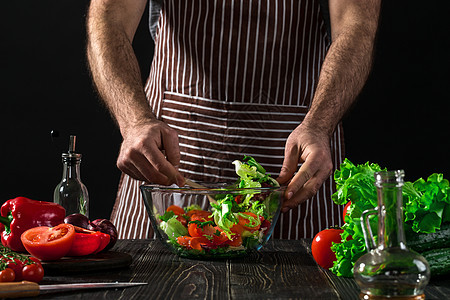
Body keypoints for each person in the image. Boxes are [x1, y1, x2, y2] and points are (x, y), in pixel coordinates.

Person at [86, 0, 381, 240]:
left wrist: (319, 124)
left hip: (296, 150)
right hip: (174, 144)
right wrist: (135, 121)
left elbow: (356, 26)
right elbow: (109, 19)